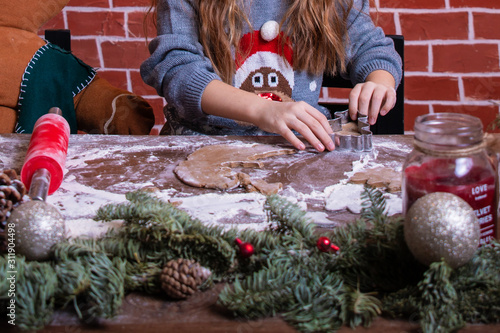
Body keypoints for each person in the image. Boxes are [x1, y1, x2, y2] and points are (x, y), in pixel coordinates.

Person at [141, 0, 402, 152]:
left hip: (299, 148)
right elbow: (177, 69)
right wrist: (264, 110)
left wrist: (378, 82)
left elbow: (371, 48)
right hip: (201, 143)